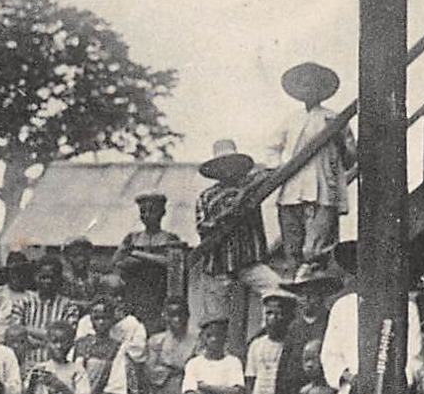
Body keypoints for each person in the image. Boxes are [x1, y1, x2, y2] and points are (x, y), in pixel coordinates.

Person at [269, 62, 354, 268]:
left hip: (322, 186)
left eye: (313, 86)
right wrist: (277, 167)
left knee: (317, 247)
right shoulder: (291, 120)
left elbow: (351, 155)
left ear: (321, 90)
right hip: (291, 188)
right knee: (293, 245)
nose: (309, 90)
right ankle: (296, 281)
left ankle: (316, 283)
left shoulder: (334, 118)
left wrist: (338, 142)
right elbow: (272, 148)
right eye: (304, 85)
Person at [192, 142, 278, 346]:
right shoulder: (207, 197)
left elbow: (270, 173)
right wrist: (230, 210)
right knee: (215, 320)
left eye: (231, 164)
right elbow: (204, 226)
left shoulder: (252, 187)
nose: (227, 169)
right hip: (218, 267)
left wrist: (244, 194)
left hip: (248, 261)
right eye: (222, 165)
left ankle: (264, 337)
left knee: (277, 289)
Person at [113, 193, 185, 332]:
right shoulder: (132, 238)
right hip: (136, 293)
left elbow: (173, 263)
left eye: (152, 211)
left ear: (162, 212)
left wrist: (138, 255)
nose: (147, 215)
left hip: (160, 293)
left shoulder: (169, 238)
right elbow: (117, 262)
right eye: (143, 211)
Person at [61, 236, 105, 302]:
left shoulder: (97, 279)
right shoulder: (63, 280)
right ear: (67, 257)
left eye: (84, 255)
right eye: (75, 256)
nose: (81, 259)